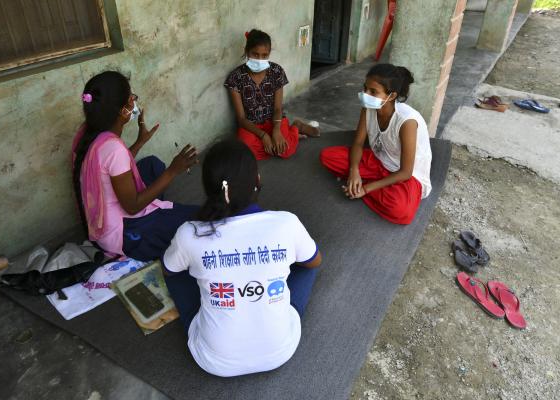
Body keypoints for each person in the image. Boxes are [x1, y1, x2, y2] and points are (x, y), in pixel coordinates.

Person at [162, 139, 322, 377]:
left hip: (213, 360)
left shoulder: (189, 233)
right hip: (279, 351)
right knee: (309, 263)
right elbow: (315, 262)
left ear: (208, 187)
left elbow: (169, 270)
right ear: (257, 180)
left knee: (175, 273)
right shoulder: (287, 223)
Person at [72, 71, 198, 261]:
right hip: (121, 234)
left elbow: (107, 169)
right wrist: (173, 170)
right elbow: (132, 206)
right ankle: (152, 229)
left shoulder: (87, 133)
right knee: (196, 220)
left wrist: (139, 142)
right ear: (123, 110)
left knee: (152, 165)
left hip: (99, 218)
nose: (134, 102)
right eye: (131, 97)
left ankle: (159, 214)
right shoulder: (113, 148)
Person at [319, 63, 432, 225]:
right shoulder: (368, 108)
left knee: (401, 211)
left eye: (373, 91)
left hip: (405, 176)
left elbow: (406, 172)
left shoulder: (406, 122)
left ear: (391, 96)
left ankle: (363, 186)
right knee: (328, 157)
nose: (365, 94)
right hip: (378, 161)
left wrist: (365, 189)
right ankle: (364, 183)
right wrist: (354, 170)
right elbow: (358, 143)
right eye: (365, 88)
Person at [224, 29, 320, 160]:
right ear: (247, 52)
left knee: (286, 150)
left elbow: (277, 108)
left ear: (269, 54)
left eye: (264, 55)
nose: (260, 59)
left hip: (275, 120)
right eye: (255, 54)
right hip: (251, 126)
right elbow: (241, 119)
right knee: (245, 151)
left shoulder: (276, 71)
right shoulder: (235, 78)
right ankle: (281, 143)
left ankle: (296, 127)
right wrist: (263, 136)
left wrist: (276, 130)